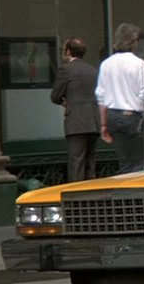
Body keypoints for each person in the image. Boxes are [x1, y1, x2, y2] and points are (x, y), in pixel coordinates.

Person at [95, 23, 144, 174]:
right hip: (131, 117)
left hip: (113, 116)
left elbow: (101, 97)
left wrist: (103, 124)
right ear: (133, 42)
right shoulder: (138, 64)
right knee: (143, 164)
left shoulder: (106, 64)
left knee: (125, 163)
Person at [50, 37, 100, 182]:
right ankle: (92, 194)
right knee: (90, 161)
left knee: (76, 161)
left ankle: (77, 196)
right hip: (93, 119)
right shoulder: (93, 70)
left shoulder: (66, 70)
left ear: (68, 51)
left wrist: (65, 101)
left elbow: (55, 95)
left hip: (76, 121)